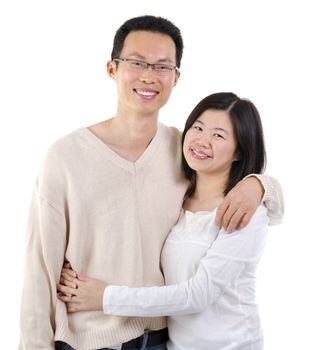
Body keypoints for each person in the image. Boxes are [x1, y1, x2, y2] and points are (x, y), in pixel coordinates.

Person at [19, 15, 283, 350]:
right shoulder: (65, 157)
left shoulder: (182, 151)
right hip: (90, 342)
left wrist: (260, 184)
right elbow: (38, 269)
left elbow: (246, 183)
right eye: (136, 62)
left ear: (176, 78)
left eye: (161, 67)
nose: (148, 76)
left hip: (162, 341)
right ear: (112, 69)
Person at [58, 92, 273, 350]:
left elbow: (197, 295)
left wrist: (105, 296)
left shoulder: (244, 212)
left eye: (218, 135)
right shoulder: (179, 197)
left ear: (240, 150)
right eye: (198, 127)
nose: (203, 141)